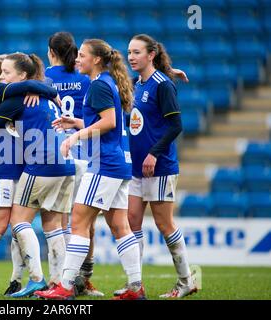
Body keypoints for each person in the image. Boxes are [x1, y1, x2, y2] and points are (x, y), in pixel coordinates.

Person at [36, 39, 145, 300]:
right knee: (120, 226)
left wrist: (76, 136)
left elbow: (108, 122)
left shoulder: (98, 85)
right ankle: (135, 288)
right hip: (118, 163)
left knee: (78, 223)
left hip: (103, 163)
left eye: (82, 55)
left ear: (96, 60)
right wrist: (76, 122)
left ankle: (65, 286)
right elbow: (106, 121)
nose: (77, 59)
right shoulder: (106, 82)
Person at [0, 52, 75, 298]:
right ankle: (57, 284)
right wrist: (47, 91)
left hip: (30, 164)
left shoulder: (24, 96)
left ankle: (33, 280)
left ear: (21, 75)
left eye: (6, 73)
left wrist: (42, 90)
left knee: (19, 223)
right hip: (8, 167)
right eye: (1, 73)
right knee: (16, 225)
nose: (2, 77)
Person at [114, 34, 197, 299]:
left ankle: (186, 281)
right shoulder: (136, 84)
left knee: (165, 225)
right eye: (129, 52)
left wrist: (153, 154)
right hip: (137, 168)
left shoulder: (162, 85)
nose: (131, 57)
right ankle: (136, 285)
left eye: (137, 52)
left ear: (151, 55)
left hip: (159, 167)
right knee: (132, 221)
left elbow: (176, 126)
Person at [45, 31, 103, 297]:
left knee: (63, 220)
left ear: (51, 52)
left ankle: (61, 280)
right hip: (88, 151)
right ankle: (83, 278)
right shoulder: (85, 77)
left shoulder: (43, 78)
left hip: (56, 152)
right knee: (86, 221)